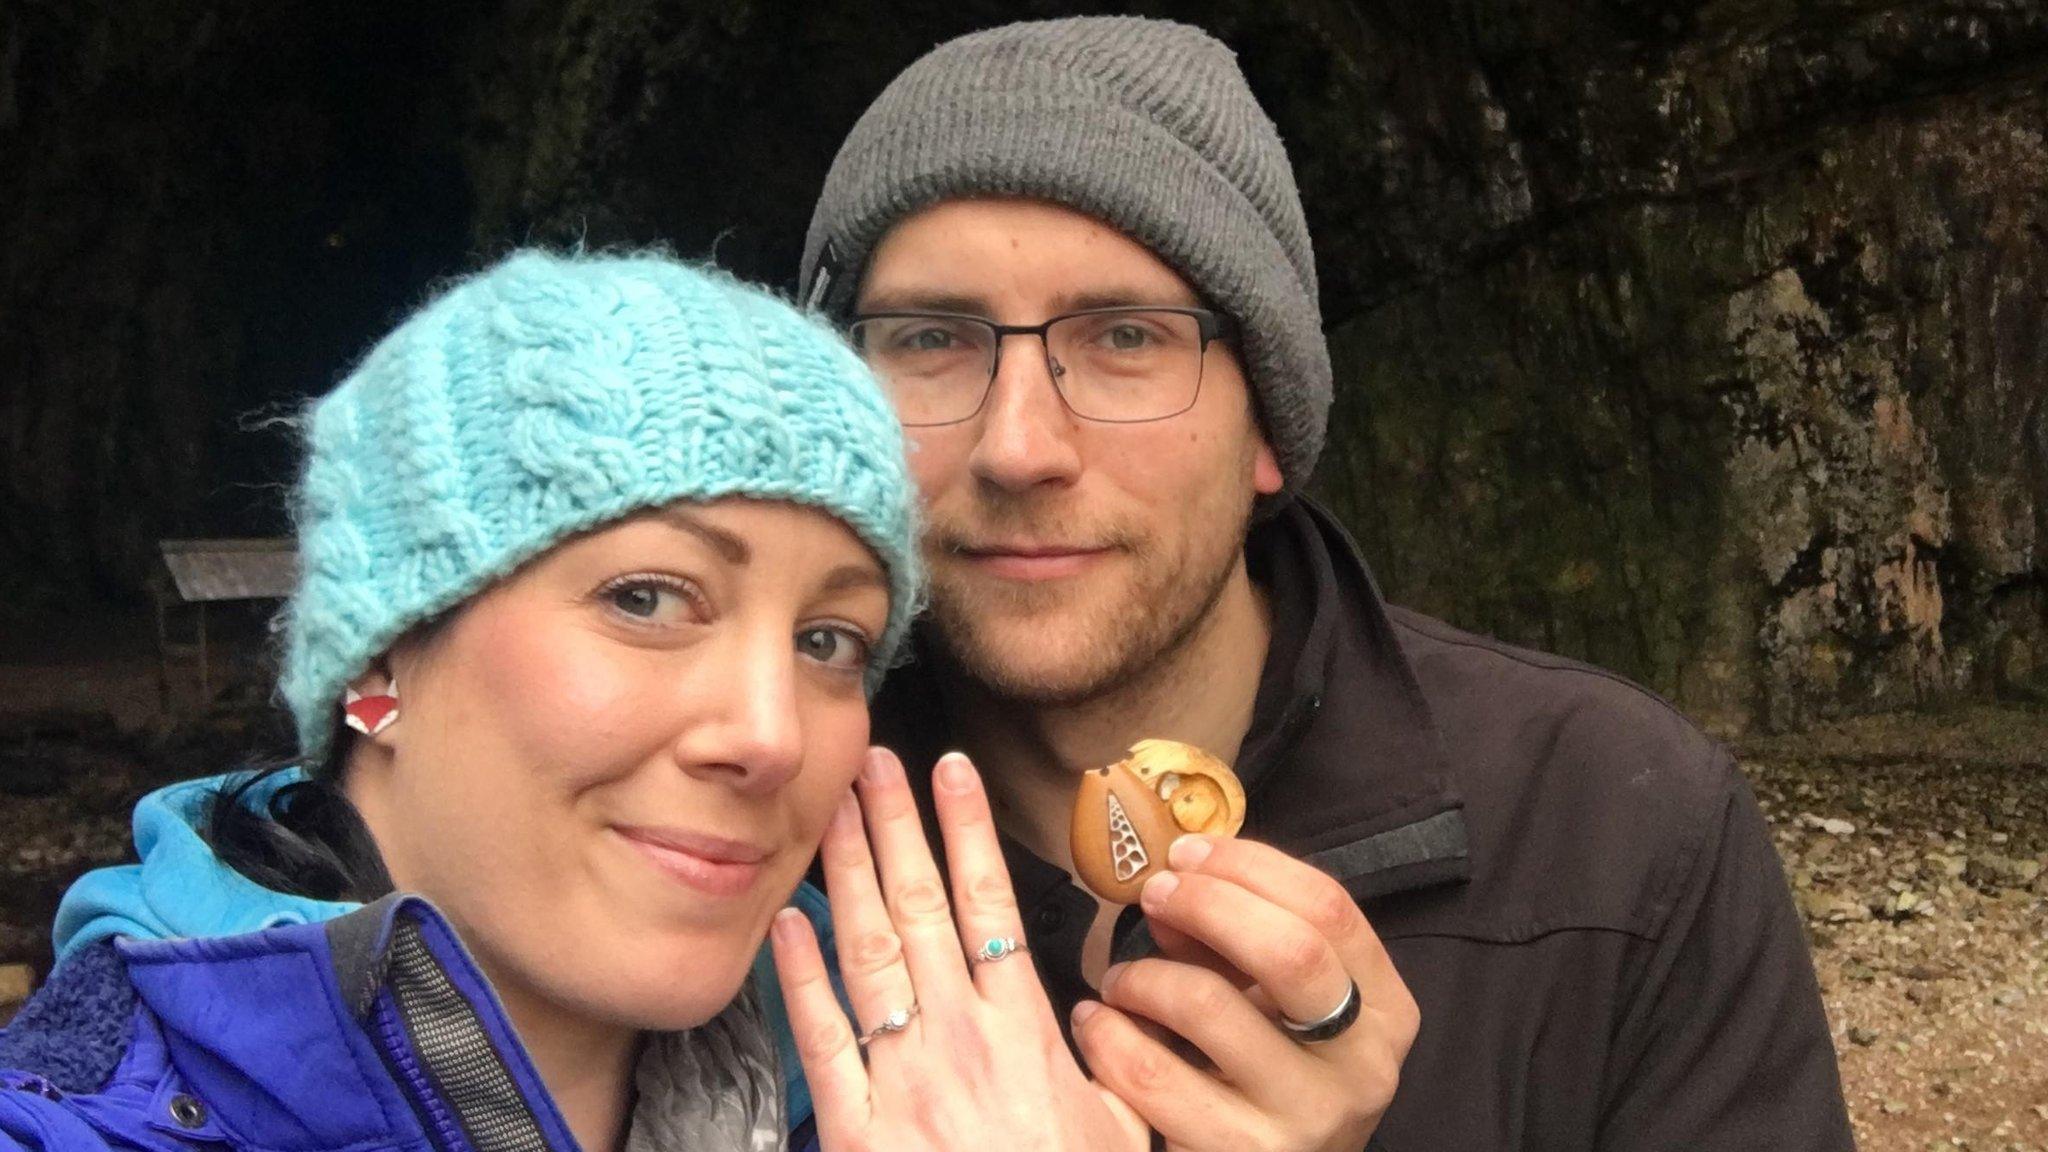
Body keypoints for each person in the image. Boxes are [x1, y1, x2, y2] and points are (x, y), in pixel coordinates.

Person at [799, 16, 1857, 1151]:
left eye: (1125, 338)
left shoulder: (1616, 827)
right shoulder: (721, 827)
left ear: (1268, 428)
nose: (1018, 447)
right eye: (928, 340)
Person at [0, 250, 1146, 1152]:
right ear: (379, 664)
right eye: (647, 597)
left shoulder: (937, 1107)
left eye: (828, 639)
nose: (769, 734)